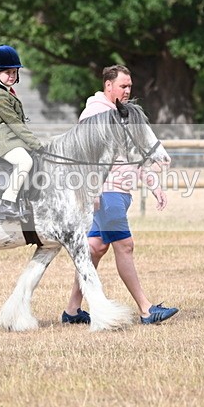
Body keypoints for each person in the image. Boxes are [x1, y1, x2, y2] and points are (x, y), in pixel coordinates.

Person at [61, 65, 179, 325]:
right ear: (108, 86)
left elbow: (134, 153)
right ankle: (147, 310)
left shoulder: (122, 114)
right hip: (106, 192)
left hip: (119, 192)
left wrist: (153, 184)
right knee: (124, 246)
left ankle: (71, 311)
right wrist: (91, 190)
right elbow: (84, 156)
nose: (127, 91)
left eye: (129, 87)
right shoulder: (94, 114)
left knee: (94, 248)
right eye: (123, 86)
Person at [0, 44, 43, 220]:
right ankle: (7, 203)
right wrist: (36, 144)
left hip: (15, 140)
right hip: (6, 142)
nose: (11, 76)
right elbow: (15, 124)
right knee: (25, 161)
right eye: (7, 72)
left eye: (14, 72)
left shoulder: (8, 92)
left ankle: (26, 202)